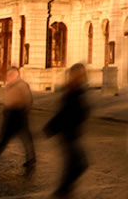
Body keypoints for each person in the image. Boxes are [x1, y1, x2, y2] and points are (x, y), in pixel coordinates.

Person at [44, 63, 89, 197]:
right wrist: (51, 127)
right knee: (78, 164)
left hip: (70, 133)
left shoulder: (76, 90)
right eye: (83, 73)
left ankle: (64, 189)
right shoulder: (73, 91)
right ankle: (63, 190)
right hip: (68, 133)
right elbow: (66, 112)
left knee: (73, 164)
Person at [0, 67, 36, 172]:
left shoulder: (22, 85)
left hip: (18, 114)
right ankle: (31, 159)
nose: (8, 77)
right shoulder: (11, 85)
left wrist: (23, 111)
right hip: (11, 114)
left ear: (15, 75)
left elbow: (28, 99)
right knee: (23, 138)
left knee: (5, 139)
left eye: (10, 75)